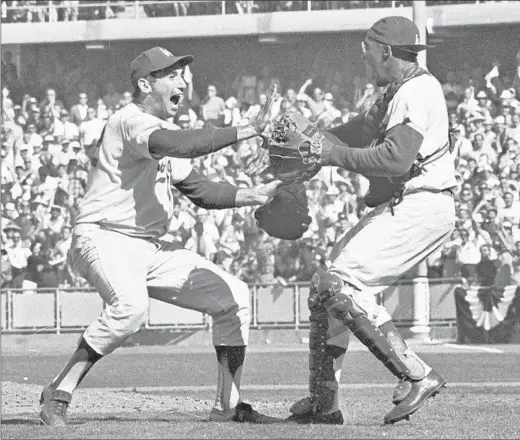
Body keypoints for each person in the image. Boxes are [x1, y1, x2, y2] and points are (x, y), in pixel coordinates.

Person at [38, 46, 283, 428]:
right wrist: (249, 128)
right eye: (171, 75)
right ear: (144, 84)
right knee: (130, 309)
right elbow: (178, 145)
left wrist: (252, 195)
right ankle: (58, 390)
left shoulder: (164, 132)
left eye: (182, 73)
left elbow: (201, 191)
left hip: (148, 248)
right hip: (104, 237)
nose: (182, 80)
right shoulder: (130, 120)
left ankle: (228, 406)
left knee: (233, 296)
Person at [287, 17, 456, 426]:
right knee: (324, 288)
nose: (364, 60)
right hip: (409, 201)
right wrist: (310, 142)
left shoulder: (417, 89)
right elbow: (356, 133)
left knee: (339, 284)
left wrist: (328, 155)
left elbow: (395, 158)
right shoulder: (398, 90)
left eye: (367, 51)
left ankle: (416, 374)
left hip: (422, 203)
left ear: (384, 50)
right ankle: (324, 405)